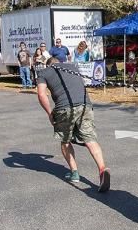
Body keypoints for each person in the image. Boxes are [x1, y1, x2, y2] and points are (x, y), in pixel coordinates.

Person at [36, 57, 110, 192]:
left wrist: (49, 113)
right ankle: (102, 169)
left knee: (65, 140)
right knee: (90, 139)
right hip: (85, 106)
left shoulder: (44, 72)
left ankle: (74, 172)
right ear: (60, 63)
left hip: (64, 108)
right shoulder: (73, 68)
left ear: (48, 65)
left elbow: (41, 94)